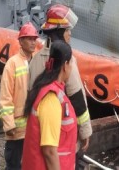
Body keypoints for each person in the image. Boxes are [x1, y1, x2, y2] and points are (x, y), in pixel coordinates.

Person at [28, 4, 92, 153]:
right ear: (59, 32)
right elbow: (76, 96)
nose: (69, 34)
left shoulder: (35, 60)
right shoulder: (68, 60)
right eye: (67, 30)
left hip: (39, 131)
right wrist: (85, 132)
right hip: (63, 133)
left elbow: (30, 95)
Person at [23, 40, 77, 170]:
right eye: (71, 64)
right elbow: (49, 151)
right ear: (65, 65)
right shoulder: (51, 98)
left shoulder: (50, 89)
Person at [0, 22, 39, 170]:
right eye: (29, 39)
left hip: (34, 126)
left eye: (34, 39)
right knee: (14, 164)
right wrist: (9, 124)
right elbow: (5, 96)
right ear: (21, 41)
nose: (33, 42)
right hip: (17, 130)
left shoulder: (37, 61)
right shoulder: (12, 64)